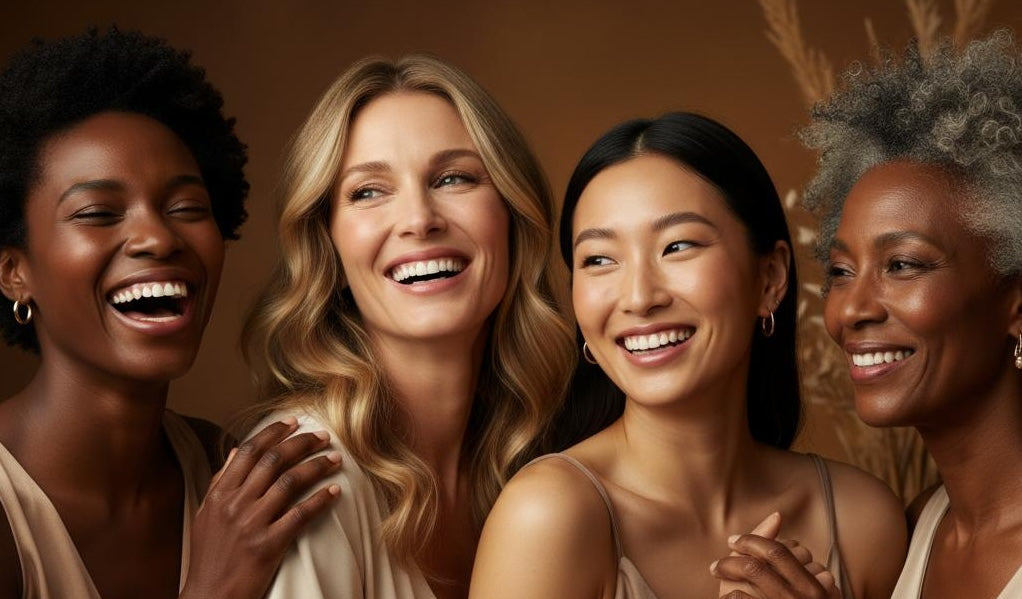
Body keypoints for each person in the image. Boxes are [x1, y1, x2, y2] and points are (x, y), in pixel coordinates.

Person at [468, 112, 907, 599]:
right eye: (599, 260)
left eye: (677, 246)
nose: (638, 297)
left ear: (769, 279)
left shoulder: (862, 521)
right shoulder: (548, 517)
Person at [0, 28, 340, 599]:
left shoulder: (229, 472)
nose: (157, 236)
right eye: (98, 212)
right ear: (15, 272)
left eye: (187, 207)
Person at [242, 54, 575, 598]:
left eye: (453, 178)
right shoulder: (308, 476)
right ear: (328, 246)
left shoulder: (539, 457)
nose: (420, 219)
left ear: (514, 218)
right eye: (368, 191)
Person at [714, 31, 1022, 599]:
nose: (850, 310)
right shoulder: (918, 529)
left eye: (903, 265)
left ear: (1015, 302)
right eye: (839, 272)